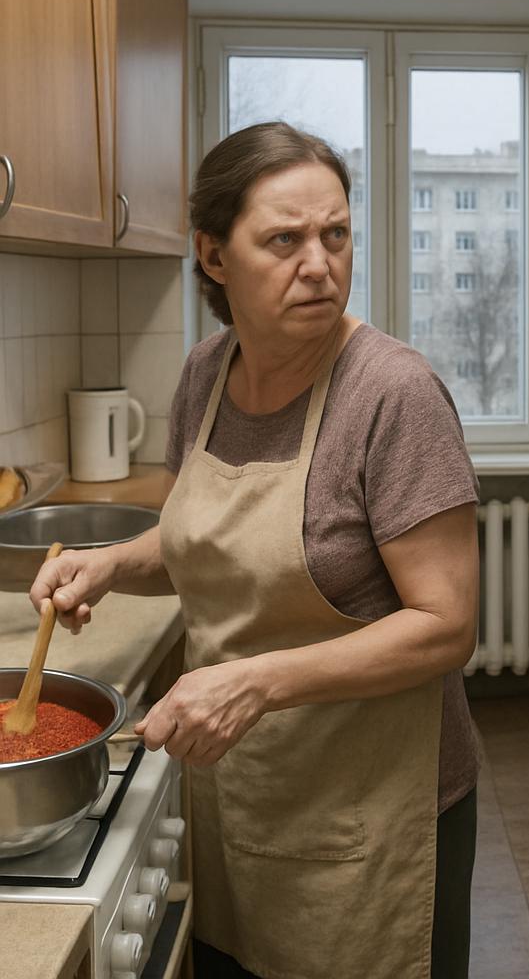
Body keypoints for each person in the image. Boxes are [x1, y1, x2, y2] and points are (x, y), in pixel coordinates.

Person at [30, 122, 482, 979]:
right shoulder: (205, 373)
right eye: (284, 240)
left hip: (370, 806)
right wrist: (113, 564)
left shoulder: (393, 394)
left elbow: (445, 625)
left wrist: (253, 683)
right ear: (213, 255)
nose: (320, 264)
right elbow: (200, 537)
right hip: (239, 789)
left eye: (336, 235)